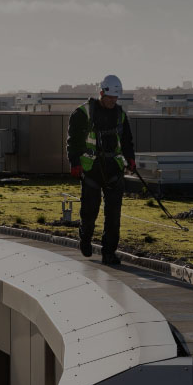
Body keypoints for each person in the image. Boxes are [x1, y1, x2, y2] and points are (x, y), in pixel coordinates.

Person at [66, 74, 136, 265]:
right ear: (101, 93)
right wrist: (75, 163)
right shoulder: (82, 113)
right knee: (90, 212)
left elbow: (127, 141)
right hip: (91, 170)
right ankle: (85, 237)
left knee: (113, 216)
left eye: (115, 98)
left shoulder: (120, 115)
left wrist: (130, 158)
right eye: (110, 98)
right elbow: (73, 141)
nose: (113, 101)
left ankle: (109, 253)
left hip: (114, 170)